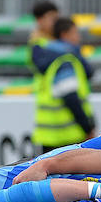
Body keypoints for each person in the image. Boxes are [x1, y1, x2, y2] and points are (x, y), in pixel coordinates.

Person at [30, 17, 95, 154]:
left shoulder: (47, 56)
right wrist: (88, 128)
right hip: (68, 137)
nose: (79, 37)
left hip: (49, 136)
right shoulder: (65, 60)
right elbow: (70, 97)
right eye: (75, 33)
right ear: (65, 35)